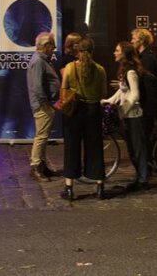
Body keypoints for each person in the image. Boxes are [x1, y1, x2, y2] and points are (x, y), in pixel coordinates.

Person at [60, 37, 108, 200]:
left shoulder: (70, 68)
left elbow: (64, 88)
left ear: (77, 51)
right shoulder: (100, 69)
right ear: (93, 52)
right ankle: (100, 186)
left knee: (71, 147)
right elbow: (103, 93)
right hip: (93, 110)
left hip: (75, 110)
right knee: (95, 147)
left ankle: (69, 188)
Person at [102, 41, 149, 191]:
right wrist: (108, 101)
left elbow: (135, 94)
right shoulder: (125, 70)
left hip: (134, 115)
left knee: (138, 148)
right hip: (128, 115)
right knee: (132, 148)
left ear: (124, 54)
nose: (114, 53)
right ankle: (140, 176)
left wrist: (124, 109)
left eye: (117, 50)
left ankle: (143, 179)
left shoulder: (131, 72)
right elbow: (122, 91)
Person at [26, 32, 60, 182]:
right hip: (42, 105)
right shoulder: (38, 61)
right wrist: (46, 103)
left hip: (45, 104)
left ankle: (42, 165)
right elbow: (37, 87)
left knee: (44, 136)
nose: (54, 48)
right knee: (41, 136)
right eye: (52, 45)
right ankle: (36, 167)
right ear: (46, 46)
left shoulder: (42, 60)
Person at [131, 28, 157, 145]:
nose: (132, 41)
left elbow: (147, 82)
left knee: (147, 135)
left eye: (134, 38)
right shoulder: (145, 56)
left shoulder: (147, 58)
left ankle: (151, 162)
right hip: (148, 101)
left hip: (148, 103)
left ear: (142, 41)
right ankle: (153, 161)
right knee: (148, 135)